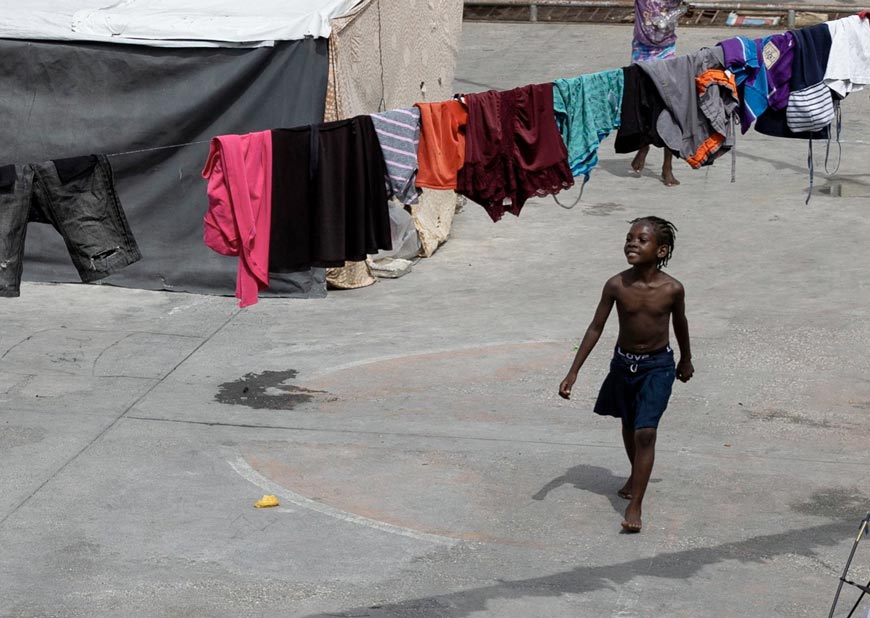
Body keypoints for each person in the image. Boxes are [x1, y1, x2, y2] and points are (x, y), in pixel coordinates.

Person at [558, 216, 693, 533]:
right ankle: (636, 473)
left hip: (657, 366)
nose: (632, 243)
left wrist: (686, 359)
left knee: (646, 432)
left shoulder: (672, 289)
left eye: (641, 239)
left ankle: (635, 506)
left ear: (661, 250)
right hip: (623, 365)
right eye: (629, 237)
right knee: (630, 423)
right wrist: (573, 371)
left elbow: (681, 325)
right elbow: (596, 327)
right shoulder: (616, 285)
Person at [630, 0, 685, 186]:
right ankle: (643, 146)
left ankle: (667, 166)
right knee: (643, 102)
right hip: (642, 50)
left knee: (668, 107)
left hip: (666, 50)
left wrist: (684, 10)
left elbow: (682, 9)